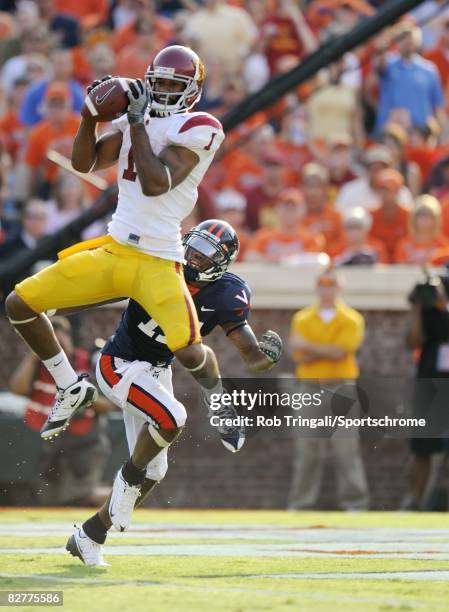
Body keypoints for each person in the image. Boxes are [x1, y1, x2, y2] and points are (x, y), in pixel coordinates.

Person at [5, 45, 233, 447]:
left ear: (191, 90)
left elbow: (156, 182)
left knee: (190, 351)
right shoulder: (137, 117)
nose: (161, 91)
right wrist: (89, 118)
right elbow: (84, 163)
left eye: (170, 85)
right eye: (157, 82)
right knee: (20, 304)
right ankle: (69, 385)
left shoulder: (200, 126)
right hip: (115, 249)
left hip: (159, 260)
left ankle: (221, 401)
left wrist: (135, 123)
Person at [64, 220, 283, 566]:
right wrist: (48, 303)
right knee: (174, 414)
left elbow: (250, 355)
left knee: (155, 472)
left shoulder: (227, 294)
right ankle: (127, 477)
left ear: (222, 265)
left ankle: (90, 534)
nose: (193, 258)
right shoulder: (159, 264)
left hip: (156, 371)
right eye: (192, 248)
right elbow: (100, 289)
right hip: (118, 363)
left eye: (205, 255)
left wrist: (265, 359)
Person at [288, 268, 369, 511]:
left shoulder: (351, 318)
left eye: (332, 284)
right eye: (323, 284)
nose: (327, 289)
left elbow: (341, 352)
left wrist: (310, 348)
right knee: (307, 451)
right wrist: (325, 351)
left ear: (339, 287)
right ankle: (300, 505)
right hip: (309, 388)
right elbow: (298, 355)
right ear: (317, 288)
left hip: (341, 387)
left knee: (346, 450)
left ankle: (355, 504)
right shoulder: (302, 318)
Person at [10, 316, 113, 506]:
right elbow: (17, 388)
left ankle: (123, 496)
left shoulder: (87, 361)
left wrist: (81, 393)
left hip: (85, 443)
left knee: (81, 497)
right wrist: (35, 354)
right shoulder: (38, 365)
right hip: (49, 445)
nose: (58, 346)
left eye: (61, 340)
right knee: (47, 499)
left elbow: (109, 406)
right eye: (51, 343)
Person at [404, 275, 449, 510]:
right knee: (421, 447)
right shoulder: (429, 304)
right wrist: (420, 308)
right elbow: (413, 341)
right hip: (430, 385)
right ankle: (414, 500)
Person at [374, 23, 446, 134]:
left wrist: (442, 133)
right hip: (391, 133)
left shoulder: (428, 69)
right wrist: (384, 45)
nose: (407, 42)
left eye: (410, 37)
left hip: (419, 133)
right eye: (403, 37)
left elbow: (437, 106)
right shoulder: (388, 64)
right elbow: (379, 67)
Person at [245, 188, 322, 263]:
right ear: (278, 209)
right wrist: (274, 260)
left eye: (293, 208)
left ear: (302, 210)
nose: (289, 212)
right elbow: (249, 257)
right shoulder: (263, 236)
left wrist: (291, 259)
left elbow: (316, 259)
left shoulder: (311, 238)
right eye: (286, 207)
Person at [369, 168, 410, 263]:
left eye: (389, 190)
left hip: (402, 264)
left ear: (398, 191)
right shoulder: (371, 215)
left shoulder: (408, 216)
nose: (385, 194)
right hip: (378, 265)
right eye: (382, 190)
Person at [394, 195, 449, 264]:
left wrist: (435, 257)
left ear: (436, 219)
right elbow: (398, 269)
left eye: (430, 215)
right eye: (421, 215)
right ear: (413, 218)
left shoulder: (444, 244)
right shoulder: (403, 245)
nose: (425, 219)